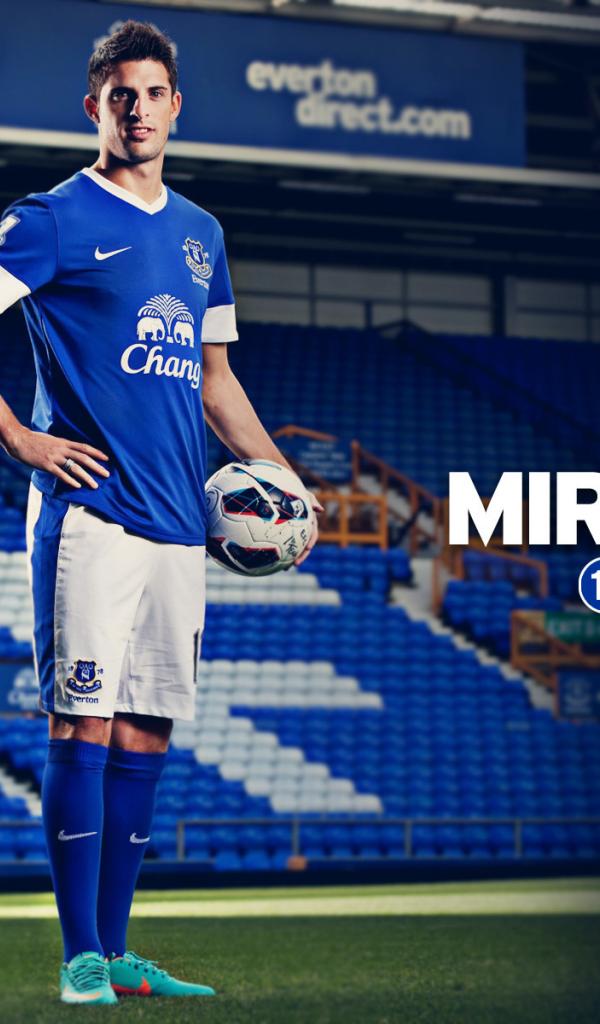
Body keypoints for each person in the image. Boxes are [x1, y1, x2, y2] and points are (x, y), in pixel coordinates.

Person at [0, 20, 321, 1005]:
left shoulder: (200, 234)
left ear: (176, 105)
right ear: (93, 106)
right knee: (83, 725)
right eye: (119, 95)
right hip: (92, 515)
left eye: (151, 93)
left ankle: (119, 947)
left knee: (145, 735)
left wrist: (287, 485)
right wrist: (22, 440)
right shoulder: (50, 218)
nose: (136, 109)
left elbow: (216, 382)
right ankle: (78, 958)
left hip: (183, 522)